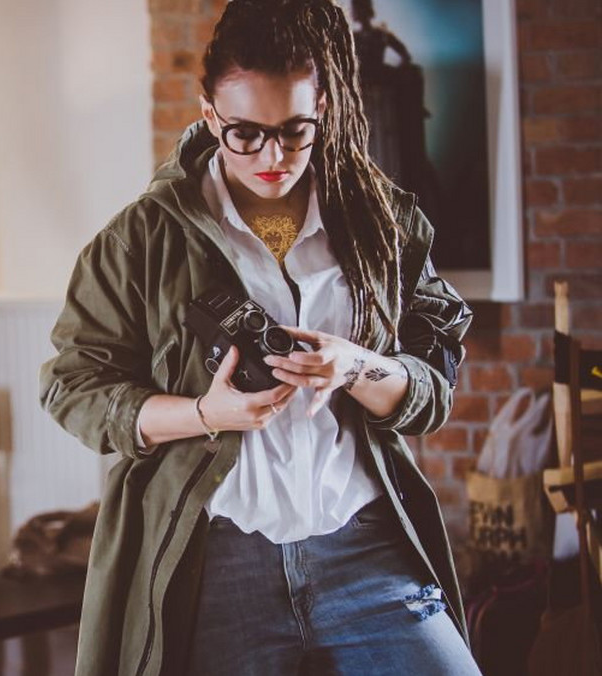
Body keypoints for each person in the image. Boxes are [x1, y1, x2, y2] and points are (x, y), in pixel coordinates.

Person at [38, 0, 477, 674]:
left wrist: (355, 365)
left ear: (322, 109)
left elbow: (433, 383)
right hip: (217, 564)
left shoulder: (382, 223)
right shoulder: (143, 240)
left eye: (294, 130)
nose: (273, 156)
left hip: (365, 549)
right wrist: (205, 414)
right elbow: (73, 386)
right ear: (210, 115)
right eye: (245, 133)